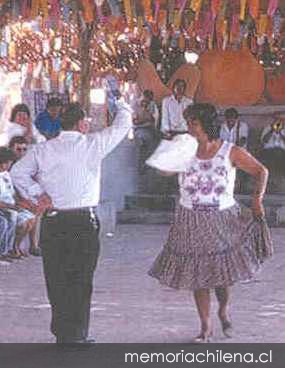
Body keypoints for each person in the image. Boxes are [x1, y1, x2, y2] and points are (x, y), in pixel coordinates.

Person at [11, 99, 132, 343]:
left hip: (54, 220)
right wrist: (121, 103)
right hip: (82, 221)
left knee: (56, 277)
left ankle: (63, 332)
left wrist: (38, 194)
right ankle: (77, 332)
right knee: (81, 277)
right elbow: (122, 126)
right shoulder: (93, 144)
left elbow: (17, 173)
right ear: (81, 124)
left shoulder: (44, 149)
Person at [149, 103, 273, 343]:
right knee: (198, 274)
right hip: (190, 218)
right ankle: (205, 326)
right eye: (188, 123)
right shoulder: (185, 149)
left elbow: (261, 171)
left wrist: (257, 199)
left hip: (222, 218)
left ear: (206, 124)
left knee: (221, 275)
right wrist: (170, 153)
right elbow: (162, 172)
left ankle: (223, 309)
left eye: (193, 123)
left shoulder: (230, 151)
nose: (189, 128)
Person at [9, 136, 41, 256]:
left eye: (24, 150)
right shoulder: (6, 164)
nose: (21, 153)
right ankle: (15, 246)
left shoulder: (28, 164)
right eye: (18, 149)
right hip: (10, 198)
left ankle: (34, 245)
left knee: (37, 209)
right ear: (11, 148)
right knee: (32, 209)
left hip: (22, 196)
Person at [0, 147, 35, 259]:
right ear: (3, 163)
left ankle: (15, 247)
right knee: (10, 218)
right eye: (9, 163)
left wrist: (23, 203)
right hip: (4, 208)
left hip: (10, 206)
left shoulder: (5, 174)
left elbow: (13, 193)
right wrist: (13, 207)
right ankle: (4, 250)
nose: (10, 165)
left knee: (30, 218)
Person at [133, 92, 158, 174]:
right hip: (138, 128)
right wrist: (146, 118)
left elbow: (154, 119)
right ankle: (143, 165)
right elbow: (135, 122)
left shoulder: (152, 105)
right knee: (145, 139)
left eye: (148, 101)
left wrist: (147, 114)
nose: (146, 102)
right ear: (141, 97)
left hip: (150, 128)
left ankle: (148, 164)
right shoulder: (135, 104)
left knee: (153, 140)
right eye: (144, 100)